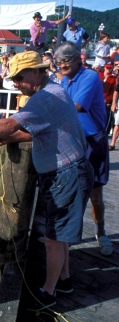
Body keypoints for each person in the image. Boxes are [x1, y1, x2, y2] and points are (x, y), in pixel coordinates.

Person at [0, 51, 93, 309]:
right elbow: (43, 133)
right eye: (12, 78)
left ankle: (48, 293)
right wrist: (11, 138)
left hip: (66, 174)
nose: (15, 83)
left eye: (19, 77)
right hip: (66, 172)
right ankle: (64, 280)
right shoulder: (53, 90)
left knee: (53, 238)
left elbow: (10, 125)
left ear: (37, 71)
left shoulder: (45, 98)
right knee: (60, 233)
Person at [55, 42, 113, 256]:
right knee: (72, 192)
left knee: (95, 194)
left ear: (78, 59)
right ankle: (70, 235)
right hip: (71, 140)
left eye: (65, 60)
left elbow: (75, 106)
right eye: (58, 62)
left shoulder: (89, 77)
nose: (61, 65)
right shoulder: (63, 79)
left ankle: (101, 232)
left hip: (92, 141)